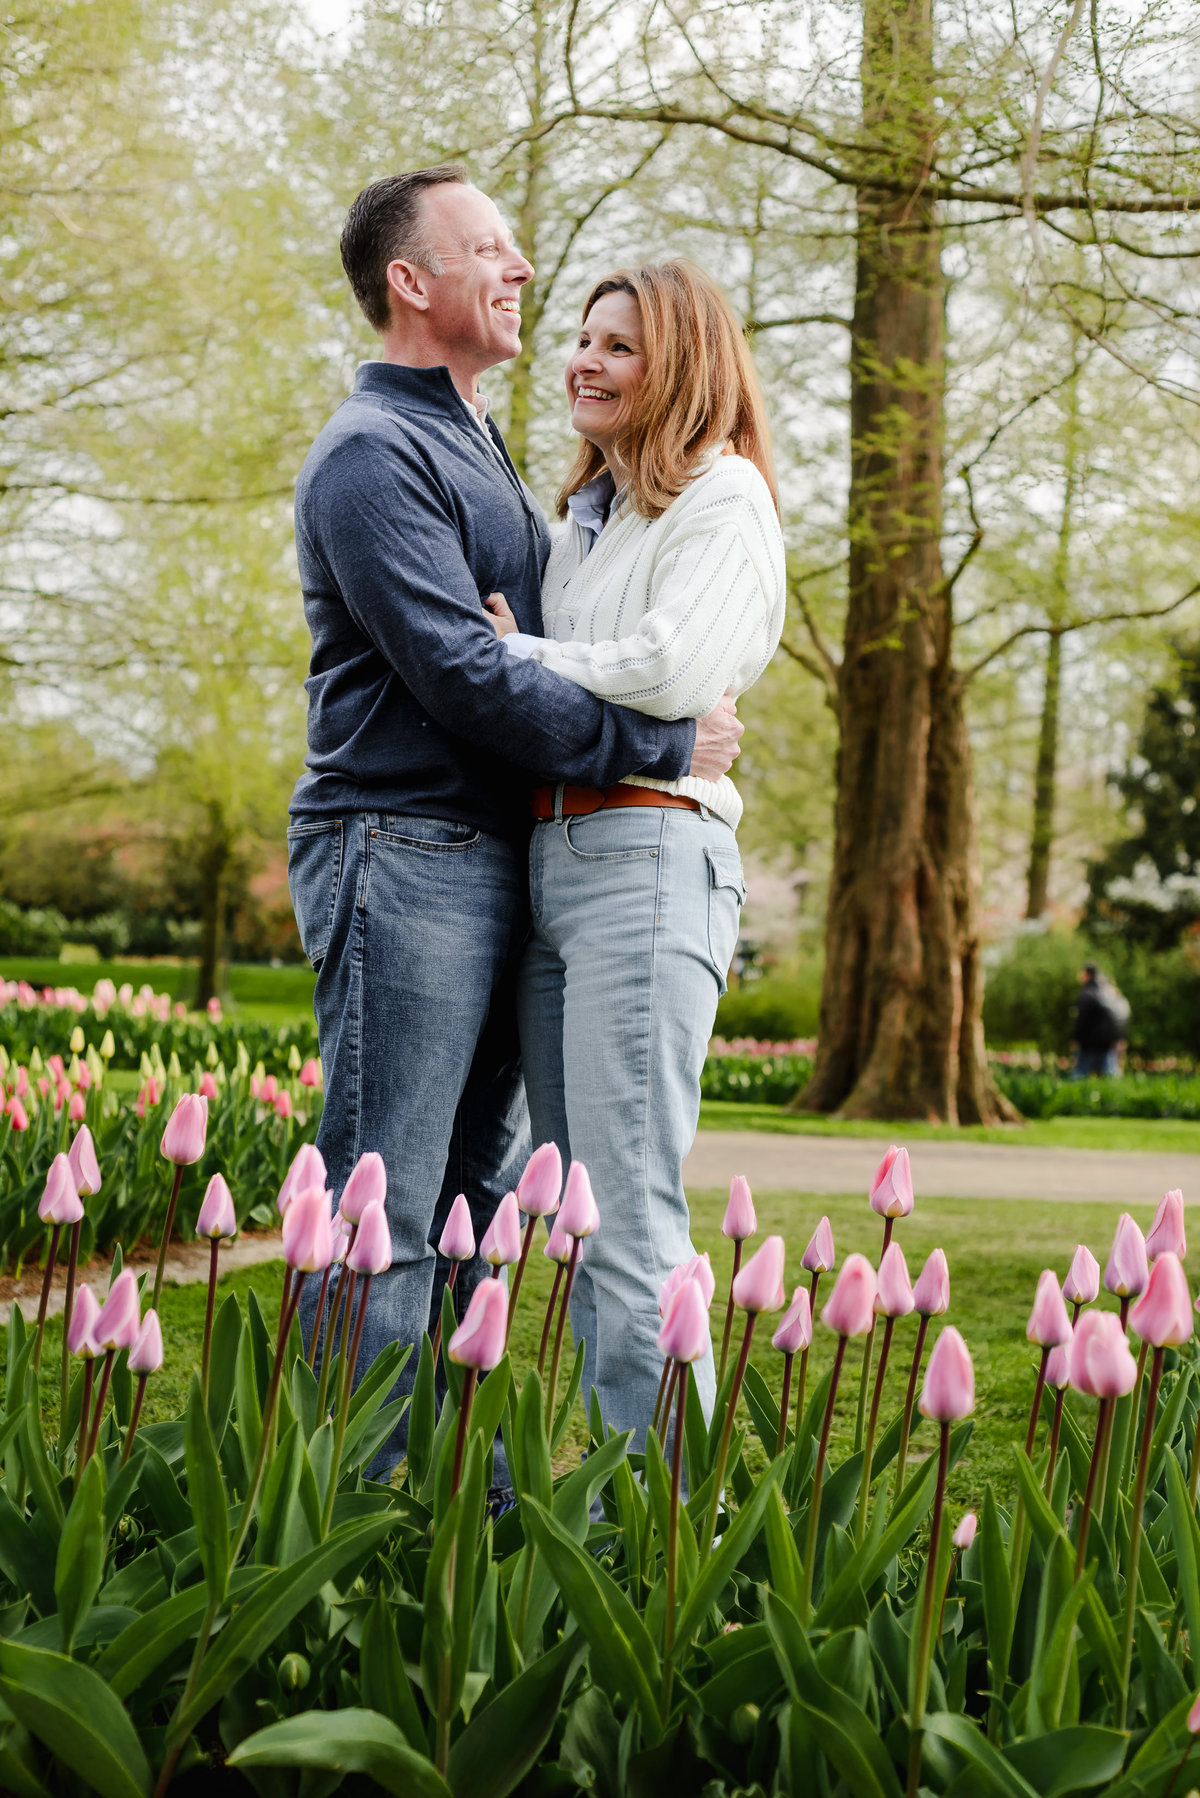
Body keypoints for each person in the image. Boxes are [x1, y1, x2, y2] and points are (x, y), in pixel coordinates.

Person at [286, 168, 743, 1476]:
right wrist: (663, 740)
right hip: (402, 844)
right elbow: (462, 671)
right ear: (410, 284)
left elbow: (529, 649)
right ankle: (335, 1519)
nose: (522, 266)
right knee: (384, 1205)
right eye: (488, 246)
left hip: (495, 859)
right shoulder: (374, 453)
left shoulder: (474, 438)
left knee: (477, 1205)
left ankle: (437, 1503)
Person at [486, 261, 786, 1444]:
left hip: (651, 862)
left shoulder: (726, 500)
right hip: (557, 861)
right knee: (567, 1206)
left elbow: (666, 673)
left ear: (683, 366)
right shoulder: (586, 520)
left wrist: (523, 656)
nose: (584, 361)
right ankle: (619, 1511)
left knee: (626, 1213)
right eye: (582, 338)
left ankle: (673, 1527)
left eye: (619, 345)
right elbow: (577, 691)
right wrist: (530, 660)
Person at [1070, 960, 1130, 1078]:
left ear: (1086, 974)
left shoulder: (1087, 993)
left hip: (1089, 1044)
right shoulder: (1110, 991)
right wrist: (1120, 1037)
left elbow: (1081, 1020)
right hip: (1109, 1043)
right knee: (1110, 1078)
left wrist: (1076, 1038)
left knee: (1079, 1076)